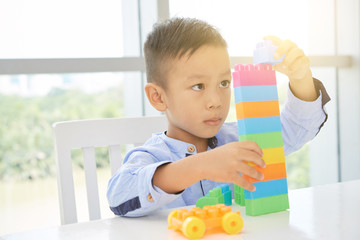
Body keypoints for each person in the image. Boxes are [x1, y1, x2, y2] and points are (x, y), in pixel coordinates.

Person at [107, 17, 330, 217]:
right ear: (158, 96)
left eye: (224, 83)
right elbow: (119, 195)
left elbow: (297, 128)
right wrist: (200, 165)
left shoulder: (241, 139)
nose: (216, 100)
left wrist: (301, 78)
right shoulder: (151, 155)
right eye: (198, 86)